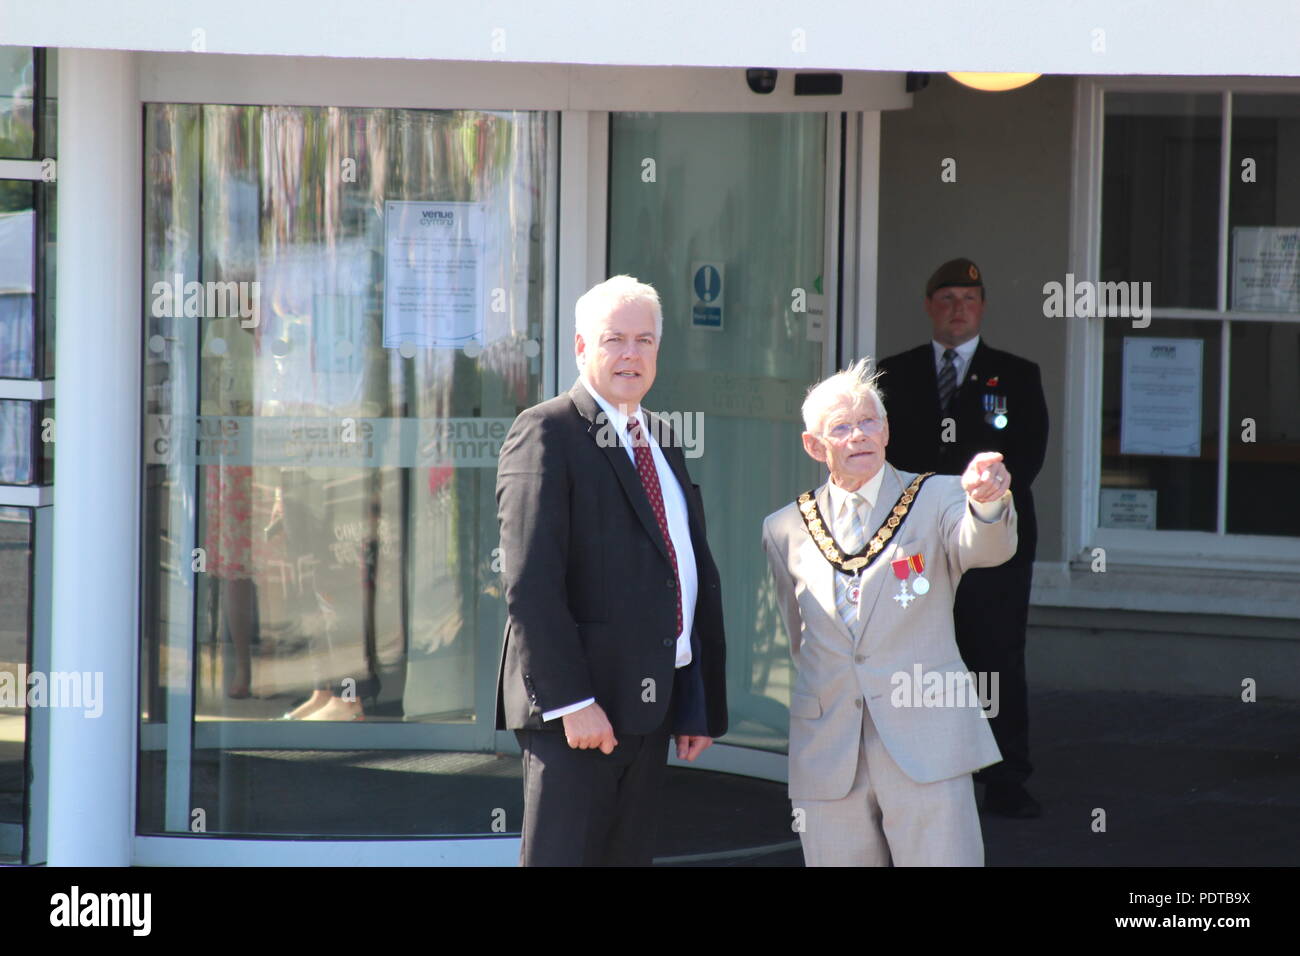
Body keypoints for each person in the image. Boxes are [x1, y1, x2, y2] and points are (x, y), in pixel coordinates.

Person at [495, 275, 728, 866]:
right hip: (579, 716)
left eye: (644, 340)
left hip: (648, 711)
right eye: (614, 339)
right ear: (581, 347)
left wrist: (694, 700)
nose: (631, 354)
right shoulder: (547, 430)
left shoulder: (663, 440)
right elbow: (529, 583)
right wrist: (572, 702)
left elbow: (682, 568)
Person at [761, 359, 1016, 866]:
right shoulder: (784, 526)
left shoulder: (940, 496)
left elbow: (986, 546)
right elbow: (798, 634)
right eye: (841, 427)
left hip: (926, 741)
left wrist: (990, 501)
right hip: (829, 748)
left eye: (869, 422)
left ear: (887, 430)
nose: (859, 435)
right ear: (815, 446)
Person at [876, 258, 1049, 818]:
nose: (957, 308)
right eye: (946, 298)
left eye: (968, 299)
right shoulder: (893, 374)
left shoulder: (1017, 374)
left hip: (991, 536)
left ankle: (1004, 778)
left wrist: (978, 505)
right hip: (916, 539)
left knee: (994, 652)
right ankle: (924, 769)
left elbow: (1027, 457)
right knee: (918, 653)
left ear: (982, 307)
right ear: (929, 307)